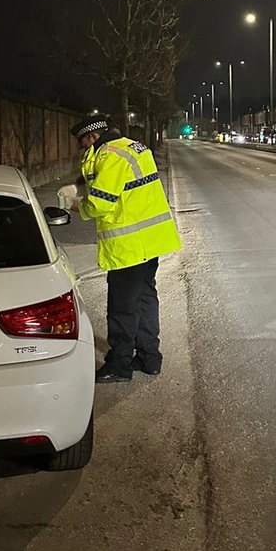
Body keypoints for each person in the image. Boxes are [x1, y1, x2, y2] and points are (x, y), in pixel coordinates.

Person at [68, 115, 181, 383]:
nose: (84, 149)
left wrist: (76, 205)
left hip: (127, 246)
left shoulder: (109, 156)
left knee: (122, 307)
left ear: (92, 137)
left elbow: (101, 203)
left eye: (84, 143)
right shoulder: (133, 147)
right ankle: (149, 358)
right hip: (150, 241)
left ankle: (119, 365)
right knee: (145, 300)